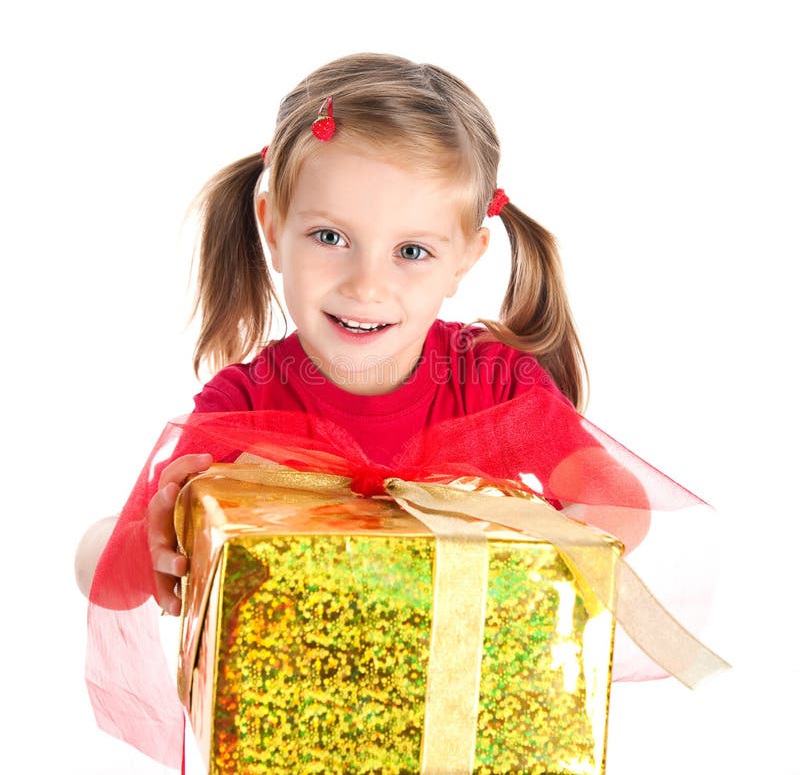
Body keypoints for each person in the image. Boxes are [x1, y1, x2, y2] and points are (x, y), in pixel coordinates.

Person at [81, 53, 718, 769]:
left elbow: (615, 497)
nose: (367, 283)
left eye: (411, 250)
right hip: (294, 729)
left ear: (466, 258)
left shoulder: (489, 383)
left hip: (479, 722)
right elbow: (96, 562)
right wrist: (156, 541)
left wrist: (558, 546)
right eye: (330, 238)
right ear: (273, 226)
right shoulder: (247, 404)